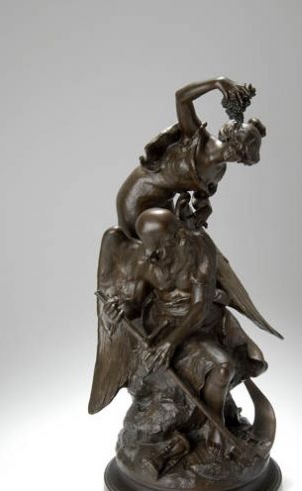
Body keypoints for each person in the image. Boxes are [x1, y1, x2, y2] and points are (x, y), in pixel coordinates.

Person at [100, 208, 266, 456]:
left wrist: (171, 343)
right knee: (217, 368)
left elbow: (200, 305)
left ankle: (215, 425)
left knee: (227, 367)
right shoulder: (147, 257)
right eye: (147, 246)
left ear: (178, 237)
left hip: (199, 325)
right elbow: (135, 303)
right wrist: (119, 309)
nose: (151, 255)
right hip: (163, 326)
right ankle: (207, 425)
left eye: (159, 247)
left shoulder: (199, 250)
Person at [116, 77, 266, 238]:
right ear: (229, 135)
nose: (234, 155)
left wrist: (205, 210)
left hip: (165, 207)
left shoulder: (218, 171)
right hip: (138, 196)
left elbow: (201, 198)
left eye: (241, 156)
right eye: (235, 147)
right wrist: (217, 83)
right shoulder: (196, 137)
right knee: (163, 245)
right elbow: (181, 98)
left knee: (190, 243)